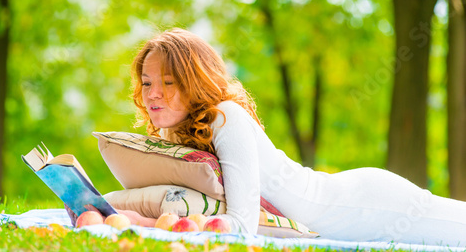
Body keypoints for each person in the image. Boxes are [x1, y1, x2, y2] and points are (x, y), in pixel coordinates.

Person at [72, 28, 466, 246]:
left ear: (195, 83)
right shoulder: (172, 132)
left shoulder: (225, 117)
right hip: (350, 202)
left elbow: (240, 225)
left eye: (169, 82)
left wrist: (145, 221)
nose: (152, 93)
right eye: (146, 82)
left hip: (365, 205)